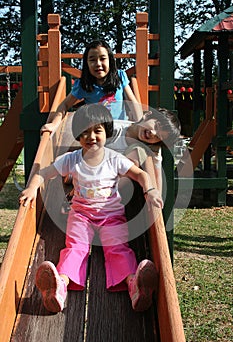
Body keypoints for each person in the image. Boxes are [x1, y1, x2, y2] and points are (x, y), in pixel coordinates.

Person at [19, 104, 162, 313]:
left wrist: (150, 190)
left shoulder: (114, 159)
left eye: (97, 130)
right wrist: (32, 188)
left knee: (118, 249)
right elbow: (44, 172)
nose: (91, 136)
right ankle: (59, 287)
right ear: (77, 136)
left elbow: (141, 174)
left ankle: (135, 287)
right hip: (81, 216)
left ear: (107, 132)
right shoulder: (72, 159)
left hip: (112, 216)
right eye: (84, 132)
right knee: (76, 248)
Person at [61, 107, 181, 213]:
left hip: (112, 184)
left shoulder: (151, 149)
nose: (153, 133)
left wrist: (155, 194)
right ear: (148, 115)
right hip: (93, 167)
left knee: (138, 152)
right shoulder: (116, 129)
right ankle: (75, 188)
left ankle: (99, 198)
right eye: (156, 126)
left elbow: (157, 174)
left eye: (158, 137)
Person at [41, 39, 142, 133]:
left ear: (110, 61)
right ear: (87, 64)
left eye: (102, 59)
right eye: (92, 60)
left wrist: (140, 123)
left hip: (119, 129)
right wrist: (54, 124)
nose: (98, 64)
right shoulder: (84, 84)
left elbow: (132, 102)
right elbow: (65, 105)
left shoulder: (119, 77)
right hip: (97, 131)